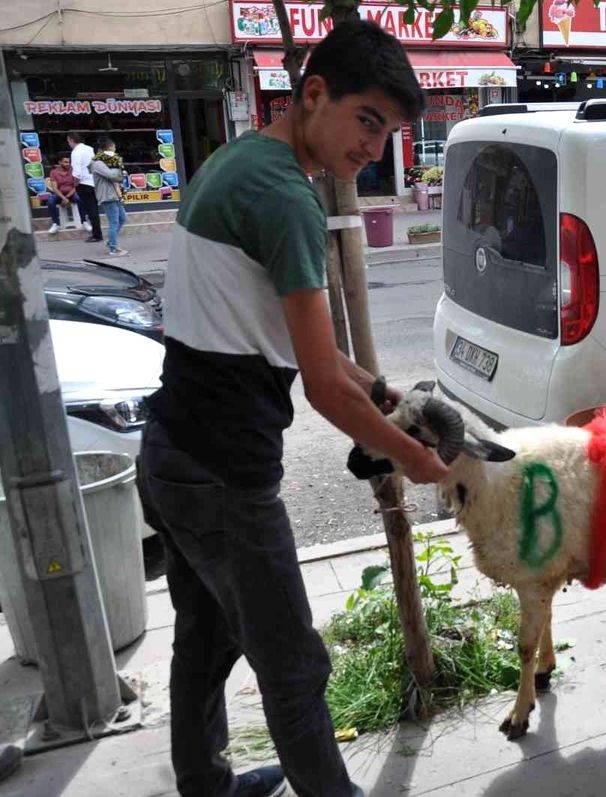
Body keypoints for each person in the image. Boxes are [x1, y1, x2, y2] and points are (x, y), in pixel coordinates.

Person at [137, 20, 443, 797]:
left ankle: (206, 785)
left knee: (205, 642)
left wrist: (381, 391)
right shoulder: (287, 199)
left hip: (170, 451)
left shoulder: (239, 161)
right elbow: (321, 387)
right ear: (313, 94)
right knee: (295, 665)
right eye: (366, 120)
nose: (374, 146)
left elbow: (296, 345)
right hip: (224, 475)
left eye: (389, 130)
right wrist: (417, 458)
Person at [89, 138, 128, 257]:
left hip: (114, 195)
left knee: (122, 218)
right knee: (114, 222)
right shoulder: (97, 163)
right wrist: (119, 169)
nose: (115, 150)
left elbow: (116, 178)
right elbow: (111, 175)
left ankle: (111, 241)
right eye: (114, 147)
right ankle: (113, 248)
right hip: (107, 196)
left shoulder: (107, 162)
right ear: (109, 147)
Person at [67, 132, 104, 242]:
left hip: (83, 183)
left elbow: (77, 172)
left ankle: (96, 235)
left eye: (68, 141)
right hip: (93, 181)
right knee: (94, 208)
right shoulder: (89, 149)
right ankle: (97, 233)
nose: (68, 144)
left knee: (90, 209)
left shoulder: (75, 152)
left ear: (71, 140)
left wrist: (75, 184)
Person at [46, 154, 80, 234]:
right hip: (59, 194)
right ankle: (56, 224)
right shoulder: (54, 172)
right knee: (50, 201)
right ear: (60, 162)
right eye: (65, 162)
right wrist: (64, 198)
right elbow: (55, 188)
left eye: (69, 162)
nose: (68, 164)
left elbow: (76, 187)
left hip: (71, 193)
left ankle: (84, 221)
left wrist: (67, 197)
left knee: (80, 199)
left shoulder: (73, 170)